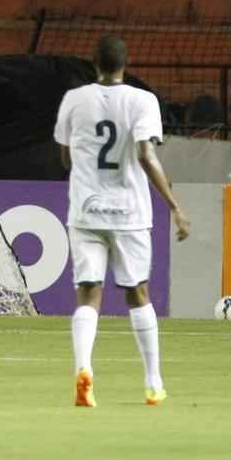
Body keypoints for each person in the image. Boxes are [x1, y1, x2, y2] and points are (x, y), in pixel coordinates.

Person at [54, 35, 190, 408]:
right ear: (125, 64)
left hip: (86, 209)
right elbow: (146, 155)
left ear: (93, 62)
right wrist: (173, 204)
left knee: (88, 291)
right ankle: (152, 382)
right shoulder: (143, 101)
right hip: (129, 212)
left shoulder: (74, 100)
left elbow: (65, 158)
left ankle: (84, 370)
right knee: (137, 292)